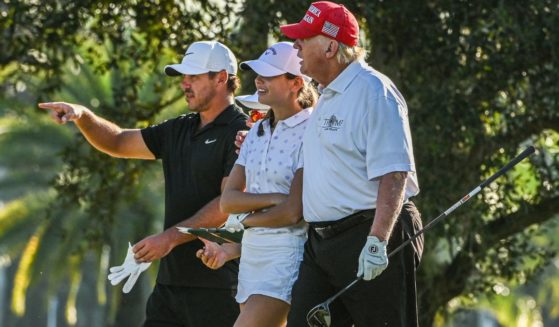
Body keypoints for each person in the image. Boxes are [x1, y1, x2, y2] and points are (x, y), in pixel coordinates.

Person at [39, 40, 247, 327]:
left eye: (194, 77)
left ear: (222, 78)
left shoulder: (243, 131)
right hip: (170, 284)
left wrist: (169, 239)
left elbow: (227, 203)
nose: (184, 84)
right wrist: (83, 116)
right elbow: (118, 141)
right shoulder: (179, 128)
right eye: (183, 78)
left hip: (219, 285)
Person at [278, 2, 425, 326]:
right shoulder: (326, 95)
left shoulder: (373, 91)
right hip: (321, 245)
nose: (296, 46)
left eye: (304, 37)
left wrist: (377, 240)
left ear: (331, 46)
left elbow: (395, 171)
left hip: (370, 233)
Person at [196, 41, 318, 327]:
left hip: (288, 256)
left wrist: (247, 221)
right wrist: (276, 199)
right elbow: (228, 201)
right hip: (251, 259)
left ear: (296, 83)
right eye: (257, 74)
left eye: (269, 75)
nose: (258, 80)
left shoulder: (311, 129)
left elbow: (293, 213)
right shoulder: (256, 132)